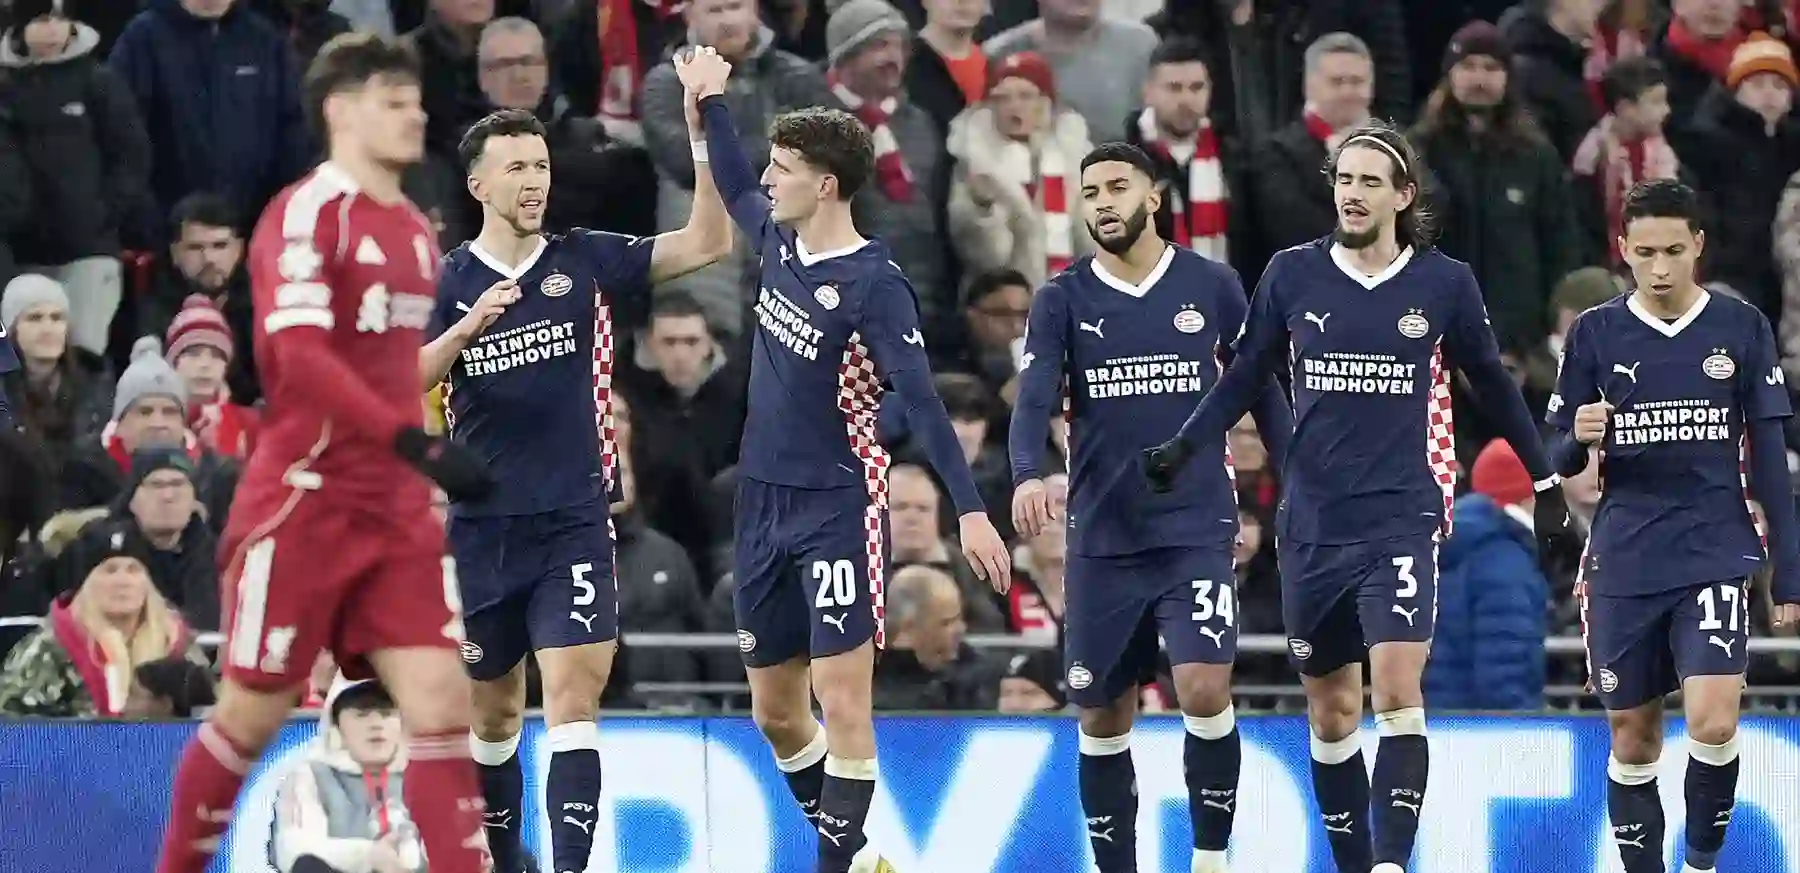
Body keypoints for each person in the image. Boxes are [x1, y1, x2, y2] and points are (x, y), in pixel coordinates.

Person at [1143, 121, 1573, 873]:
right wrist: (1185, 442)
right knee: (1333, 708)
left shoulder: (1443, 283)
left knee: (1398, 691)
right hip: (1312, 521)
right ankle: (1355, 860)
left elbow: (1495, 385)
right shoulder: (1291, 273)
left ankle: (1390, 864)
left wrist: (1542, 479)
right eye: (1345, 178)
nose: (1353, 192)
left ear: (1404, 195)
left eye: (1371, 180)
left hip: (1401, 512)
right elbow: (1246, 371)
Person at [152, 32, 497, 873]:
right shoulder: (306, 212)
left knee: (444, 703)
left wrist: (417, 450)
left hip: (395, 508)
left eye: (416, 99)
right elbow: (298, 363)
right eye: (392, 100)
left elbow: (383, 364)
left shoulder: (416, 228)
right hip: (305, 499)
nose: (415, 113)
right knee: (250, 716)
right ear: (340, 111)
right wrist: (412, 437)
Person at [687, 44, 1011, 873]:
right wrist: (710, 101)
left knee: (843, 700)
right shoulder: (779, 241)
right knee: (776, 712)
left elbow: (928, 403)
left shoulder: (876, 285)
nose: (768, 180)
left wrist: (970, 509)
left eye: (783, 168)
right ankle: (862, 854)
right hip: (762, 501)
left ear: (825, 185)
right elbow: (729, 179)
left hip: (837, 501)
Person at [415, 73, 733, 873]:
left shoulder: (584, 259)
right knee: (492, 715)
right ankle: (498, 859)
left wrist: (700, 136)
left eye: (541, 165)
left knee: (572, 704)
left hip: (574, 521)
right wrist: (466, 330)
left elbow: (708, 243)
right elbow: (392, 382)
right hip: (483, 529)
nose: (534, 181)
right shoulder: (445, 281)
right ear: (478, 182)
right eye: (516, 168)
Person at [1008, 141, 1292, 873]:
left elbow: (1262, 388)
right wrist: (1025, 472)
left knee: (1202, 685)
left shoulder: (1214, 285)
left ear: (1154, 195)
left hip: (1194, 525)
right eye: (1090, 191)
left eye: (1116, 187)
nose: (1102, 202)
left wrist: (1298, 483)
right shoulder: (1062, 298)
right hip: (1102, 535)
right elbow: (1035, 395)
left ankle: (1209, 856)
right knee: (1102, 713)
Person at [1547, 178, 1800, 873]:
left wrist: (1791, 565)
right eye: (1645, 252)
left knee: (1716, 718)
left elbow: (1771, 458)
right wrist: (1576, 435)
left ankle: (1700, 863)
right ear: (1623, 249)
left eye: (1673, 251)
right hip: (1626, 556)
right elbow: (1552, 452)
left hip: (1713, 546)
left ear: (1698, 247)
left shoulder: (1738, 326)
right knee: (1633, 737)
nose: (1659, 268)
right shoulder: (1596, 332)